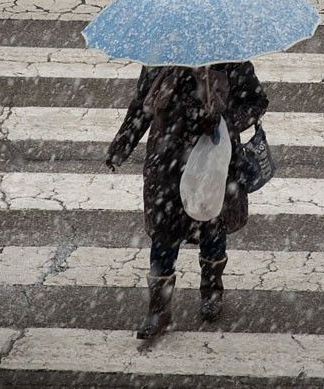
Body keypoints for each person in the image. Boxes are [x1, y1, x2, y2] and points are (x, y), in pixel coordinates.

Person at [106, 62, 269, 339]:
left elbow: (256, 102)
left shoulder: (229, 59)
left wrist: (222, 120)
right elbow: (142, 105)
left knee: (212, 226)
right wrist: (122, 144)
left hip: (213, 160)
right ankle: (158, 311)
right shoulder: (160, 58)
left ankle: (212, 290)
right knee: (164, 234)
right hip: (167, 161)